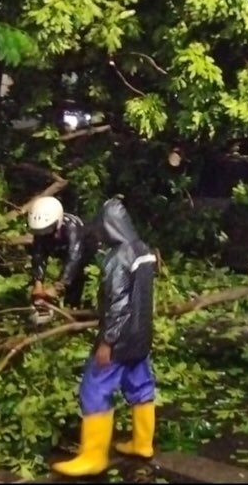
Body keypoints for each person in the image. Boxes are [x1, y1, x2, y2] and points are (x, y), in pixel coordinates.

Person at [52, 198, 158, 477]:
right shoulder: (143, 251)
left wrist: (106, 342)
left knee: (95, 387)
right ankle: (142, 443)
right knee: (140, 385)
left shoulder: (117, 257)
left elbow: (119, 305)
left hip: (120, 338)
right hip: (142, 335)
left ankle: (93, 456)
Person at [28, 196, 97, 311]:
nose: (43, 234)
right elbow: (38, 254)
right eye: (39, 232)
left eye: (47, 230)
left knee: (78, 280)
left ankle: (78, 312)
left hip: (89, 251)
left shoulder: (73, 230)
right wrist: (38, 283)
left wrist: (58, 287)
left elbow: (73, 259)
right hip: (66, 251)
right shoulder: (42, 233)